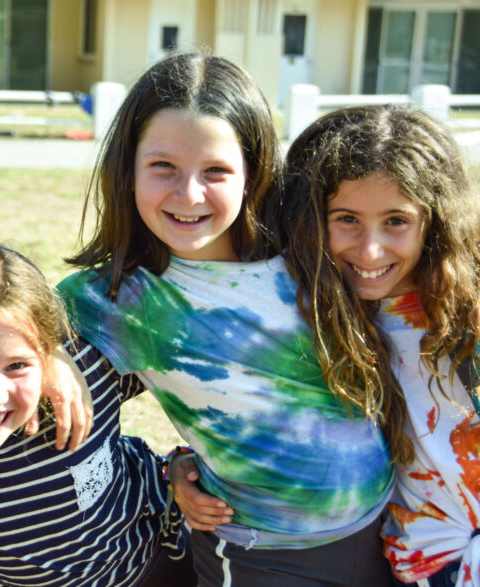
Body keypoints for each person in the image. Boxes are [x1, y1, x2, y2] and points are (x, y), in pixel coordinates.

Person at [56, 52, 399, 586]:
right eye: (163, 167)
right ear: (127, 171)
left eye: (215, 170)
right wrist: (170, 469)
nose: (188, 193)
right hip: (262, 554)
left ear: (253, 172)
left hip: (389, 527)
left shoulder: (311, 249)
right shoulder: (115, 298)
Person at [273, 104, 480, 586]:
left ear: (437, 218)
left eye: (396, 221)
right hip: (417, 564)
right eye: (346, 219)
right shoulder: (310, 312)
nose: (370, 250)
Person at [0, 238, 195, 586]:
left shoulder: (81, 380)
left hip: (163, 564)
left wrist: (181, 465)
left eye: (16, 365)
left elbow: (223, 395)